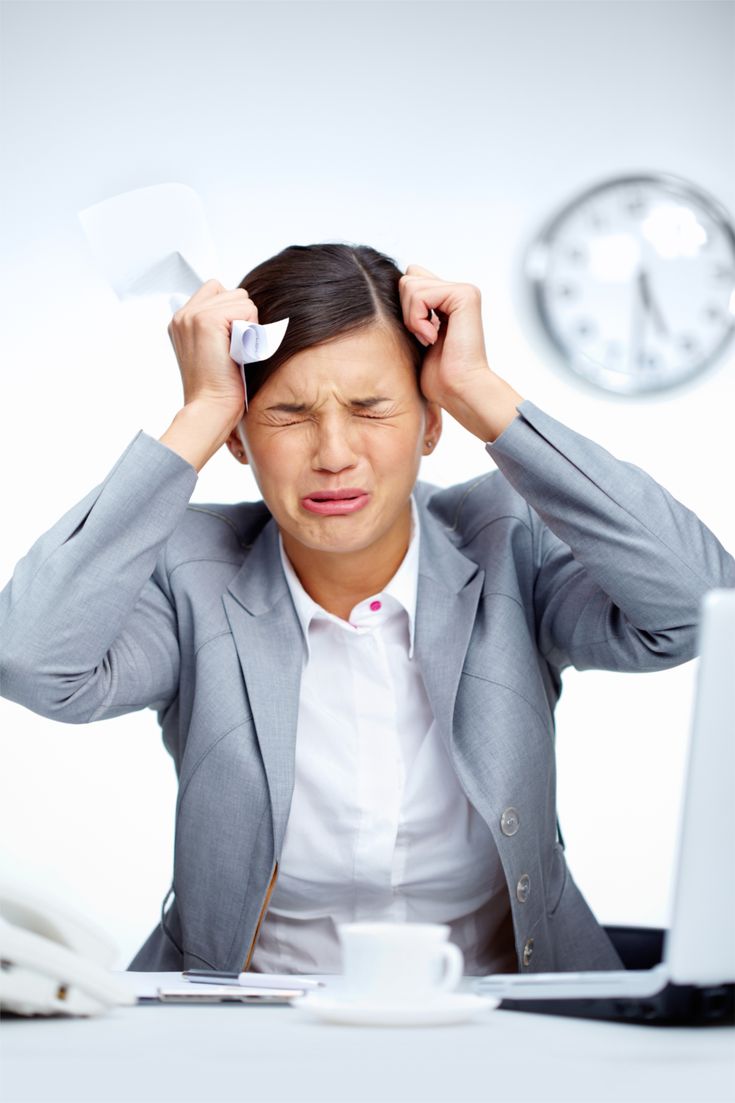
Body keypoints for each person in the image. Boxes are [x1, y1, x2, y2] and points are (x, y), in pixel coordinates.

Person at [1, 243, 733, 977]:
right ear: (239, 437)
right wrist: (198, 413)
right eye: (287, 414)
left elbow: (695, 602)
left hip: (503, 1021)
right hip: (242, 1029)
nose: (334, 453)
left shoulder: (509, 545)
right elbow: (29, 658)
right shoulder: (190, 573)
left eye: (369, 407)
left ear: (431, 423)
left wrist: (480, 391)